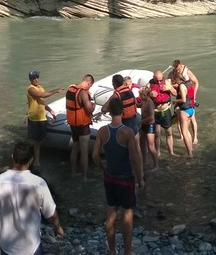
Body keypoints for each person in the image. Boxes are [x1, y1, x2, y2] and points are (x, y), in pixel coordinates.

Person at [0, 140, 64, 254]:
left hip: (7, 245)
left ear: (12, 157)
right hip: (31, 246)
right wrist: (58, 228)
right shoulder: (38, 183)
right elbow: (51, 214)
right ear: (31, 160)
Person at [93, 97, 145, 255]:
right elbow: (135, 158)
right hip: (125, 179)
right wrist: (141, 178)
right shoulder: (127, 132)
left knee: (111, 212)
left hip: (109, 178)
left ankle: (112, 251)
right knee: (127, 213)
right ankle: (127, 251)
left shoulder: (102, 131)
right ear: (122, 111)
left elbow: (95, 156)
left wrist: (103, 168)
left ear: (109, 111)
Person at [26, 70, 62, 167]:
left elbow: (41, 101)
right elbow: (41, 95)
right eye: (34, 78)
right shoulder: (31, 89)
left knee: (39, 140)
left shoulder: (40, 87)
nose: (36, 79)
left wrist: (50, 110)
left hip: (41, 118)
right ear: (30, 79)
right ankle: (35, 161)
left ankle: (33, 158)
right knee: (36, 141)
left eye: (37, 77)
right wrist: (55, 91)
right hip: (34, 119)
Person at [66, 74, 95, 180]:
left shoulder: (70, 89)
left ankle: (73, 172)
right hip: (83, 126)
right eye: (90, 86)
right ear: (89, 83)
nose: (89, 88)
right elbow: (89, 109)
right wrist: (93, 105)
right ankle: (84, 177)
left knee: (75, 148)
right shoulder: (82, 92)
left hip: (73, 124)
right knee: (84, 151)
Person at [171, 60, 200, 144]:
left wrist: (194, 95)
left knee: (192, 119)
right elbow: (170, 81)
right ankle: (182, 136)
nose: (177, 71)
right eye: (176, 69)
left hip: (188, 96)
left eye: (178, 69)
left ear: (180, 65)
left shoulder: (187, 71)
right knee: (178, 116)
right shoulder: (173, 72)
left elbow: (196, 82)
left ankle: (195, 138)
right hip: (179, 95)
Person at [148, 71, 175, 157]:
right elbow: (143, 95)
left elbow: (175, 93)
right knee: (157, 133)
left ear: (162, 77)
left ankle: (171, 152)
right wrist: (150, 94)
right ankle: (158, 153)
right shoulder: (150, 84)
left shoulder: (167, 82)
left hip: (165, 110)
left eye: (160, 80)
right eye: (157, 80)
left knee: (169, 132)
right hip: (156, 112)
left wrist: (169, 89)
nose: (159, 82)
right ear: (153, 78)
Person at [170, 73, 194, 158]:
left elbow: (183, 99)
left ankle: (190, 154)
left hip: (185, 111)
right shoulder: (188, 84)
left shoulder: (182, 86)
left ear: (177, 79)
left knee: (184, 133)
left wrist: (175, 102)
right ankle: (191, 149)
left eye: (174, 80)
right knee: (187, 131)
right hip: (191, 109)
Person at [138, 85, 159, 171]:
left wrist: (140, 122)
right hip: (144, 125)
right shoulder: (144, 101)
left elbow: (151, 117)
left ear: (145, 95)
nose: (139, 96)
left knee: (151, 146)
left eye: (140, 95)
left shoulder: (150, 103)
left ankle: (156, 165)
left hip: (150, 125)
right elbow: (139, 105)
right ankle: (144, 162)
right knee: (142, 144)